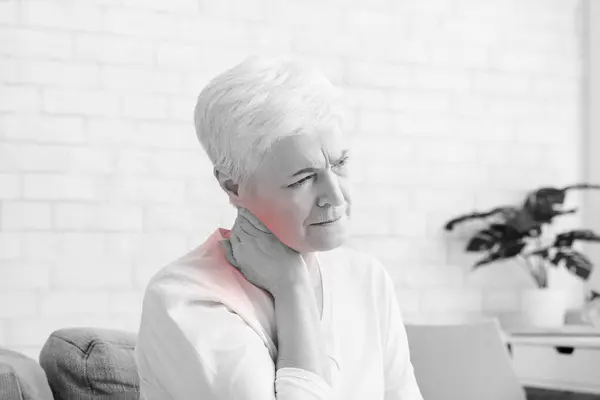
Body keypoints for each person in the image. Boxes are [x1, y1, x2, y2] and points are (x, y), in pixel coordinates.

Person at [134, 55, 423, 400]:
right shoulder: (186, 300)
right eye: (303, 179)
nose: (335, 195)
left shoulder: (366, 278)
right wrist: (292, 289)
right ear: (233, 187)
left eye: (340, 163)